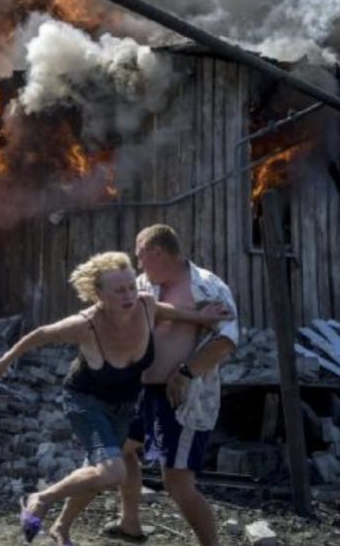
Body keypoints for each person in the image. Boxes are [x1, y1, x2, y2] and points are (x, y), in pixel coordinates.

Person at [0, 251, 230, 545]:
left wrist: (200, 316)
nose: (129, 296)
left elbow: (169, 312)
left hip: (124, 405)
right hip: (86, 402)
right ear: (99, 293)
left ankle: (102, 525)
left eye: (131, 287)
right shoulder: (85, 324)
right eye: (119, 290)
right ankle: (40, 498)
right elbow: (40, 334)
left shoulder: (146, 306)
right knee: (112, 471)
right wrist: (3, 362)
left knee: (110, 466)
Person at [105, 225, 240, 546]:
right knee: (116, 450)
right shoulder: (143, 285)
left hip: (181, 396)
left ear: (157, 253)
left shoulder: (206, 286)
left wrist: (185, 373)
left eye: (141, 258)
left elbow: (228, 339)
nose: (140, 266)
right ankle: (130, 523)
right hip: (140, 393)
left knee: (177, 483)